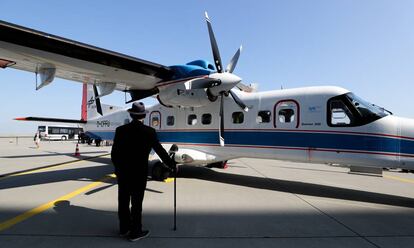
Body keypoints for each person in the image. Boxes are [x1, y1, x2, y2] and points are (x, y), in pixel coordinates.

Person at [111, 102, 175, 242]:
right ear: (144, 116)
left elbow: (114, 154)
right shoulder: (149, 132)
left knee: (123, 201)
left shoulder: (120, 130)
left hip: (123, 173)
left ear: (131, 114)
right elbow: (160, 150)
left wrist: (117, 169)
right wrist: (171, 164)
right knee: (136, 204)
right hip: (139, 174)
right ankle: (135, 231)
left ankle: (123, 229)